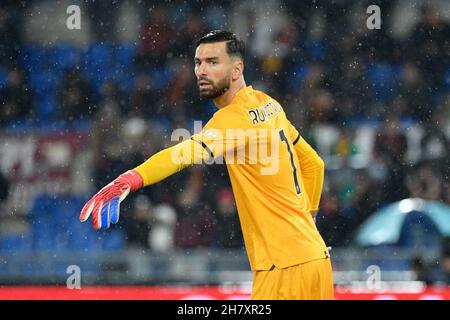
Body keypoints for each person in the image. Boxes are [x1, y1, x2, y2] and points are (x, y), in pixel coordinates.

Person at [80, 30, 334, 300]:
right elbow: (314, 165)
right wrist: (309, 222)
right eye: (198, 62)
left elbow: (183, 154)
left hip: (284, 269)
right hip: (314, 259)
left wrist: (129, 180)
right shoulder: (269, 105)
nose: (201, 70)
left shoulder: (233, 119)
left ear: (237, 69)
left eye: (213, 62)